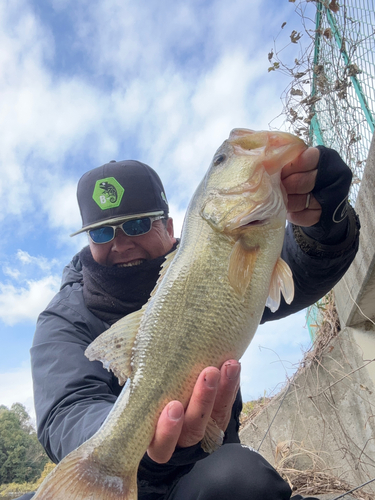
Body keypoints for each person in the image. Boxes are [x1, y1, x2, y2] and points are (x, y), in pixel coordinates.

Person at [21, 145, 359, 500]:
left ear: (168, 227)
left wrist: (325, 228)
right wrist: (144, 445)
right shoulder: (63, 316)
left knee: (239, 480)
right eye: (102, 233)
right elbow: (67, 409)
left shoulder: (210, 262)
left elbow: (283, 274)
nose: (120, 244)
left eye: (136, 225)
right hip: (125, 477)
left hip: (203, 468)